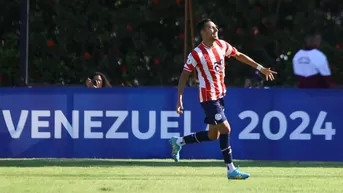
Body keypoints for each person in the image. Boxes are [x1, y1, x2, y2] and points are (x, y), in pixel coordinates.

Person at [169, 18, 277, 180]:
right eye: (211, 28)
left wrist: (260, 68)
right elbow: (184, 75)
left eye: (216, 27)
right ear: (203, 32)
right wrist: (179, 99)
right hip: (208, 98)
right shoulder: (197, 54)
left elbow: (239, 55)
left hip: (219, 96)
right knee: (226, 129)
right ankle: (230, 169)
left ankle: (178, 141)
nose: (215, 30)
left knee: (214, 135)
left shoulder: (221, 45)